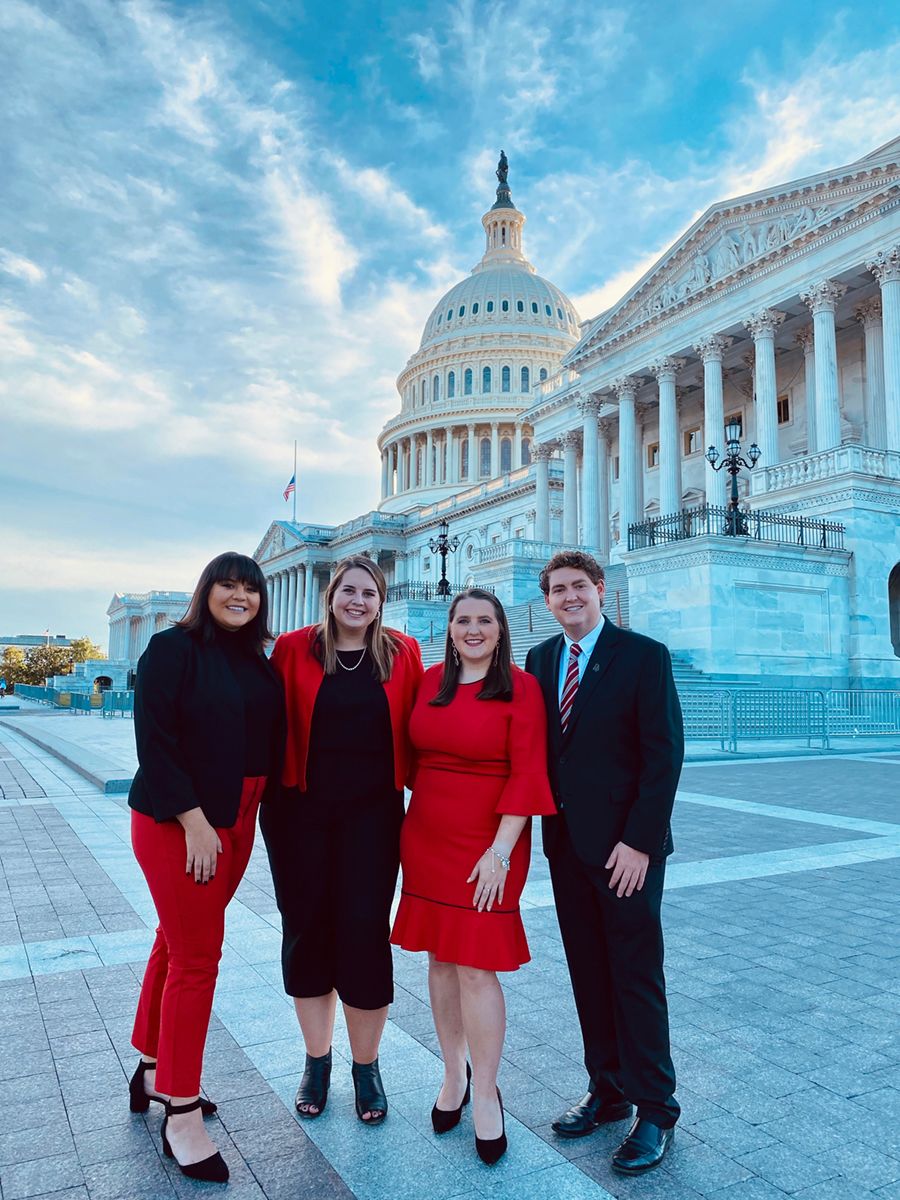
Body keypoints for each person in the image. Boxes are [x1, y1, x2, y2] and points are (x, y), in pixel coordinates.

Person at [524, 551, 684, 1175]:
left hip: (627, 853)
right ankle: (609, 1090)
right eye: (557, 590)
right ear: (547, 601)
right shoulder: (540, 661)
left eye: (578, 588)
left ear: (599, 590)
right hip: (567, 847)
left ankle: (656, 1109)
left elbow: (663, 755)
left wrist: (640, 842)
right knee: (589, 974)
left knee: (635, 977)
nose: (569, 598)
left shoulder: (644, 655)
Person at [128, 552, 285, 1184]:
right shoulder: (171, 649)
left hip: (238, 819)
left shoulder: (256, 660)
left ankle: (150, 1067)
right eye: (228, 585)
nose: (240, 596)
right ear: (207, 590)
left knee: (175, 941)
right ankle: (181, 1110)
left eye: (250, 588)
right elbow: (155, 740)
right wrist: (193, 820)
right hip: (181, 820)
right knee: (199, 957)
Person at [391, 588, 555, 1165]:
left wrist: (500, 852)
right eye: (463, 620)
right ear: (451, 628)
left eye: (485, 620)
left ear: (501, 629)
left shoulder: (522, 687)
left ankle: (486, 1092)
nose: (473, 629)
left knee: (477, 968)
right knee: (439, 959)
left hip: (491, 845)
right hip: (427, 839)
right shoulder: (429, 681)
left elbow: (529, 771)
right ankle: (452, 1075)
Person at [260, 555, 423, 1125]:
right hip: (297, 813)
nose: (358, 601)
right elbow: (262, 721)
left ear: (381, 602)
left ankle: (366, 1066)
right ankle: (316, 1060)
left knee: (364, 934)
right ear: (331, 596)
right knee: (306, 932)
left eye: (369, 594)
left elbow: (420, 729)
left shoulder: (403, 654)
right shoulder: (294, 648)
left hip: (373, 819)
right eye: (348, 591)